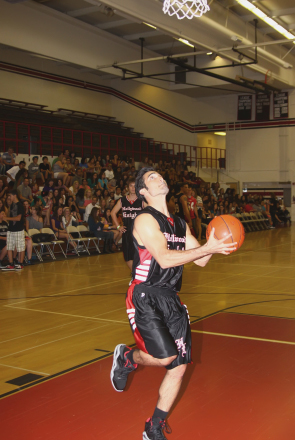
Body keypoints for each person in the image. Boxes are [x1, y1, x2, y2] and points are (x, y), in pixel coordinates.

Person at [110, 168, 236, 440]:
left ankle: (153, 427)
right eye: (151, 178)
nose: (159, 178)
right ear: (142, 191)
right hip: (145, 295)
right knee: (165, 357)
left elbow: (200, 260)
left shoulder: (180, 224)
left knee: (178, 366)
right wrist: (206, 248)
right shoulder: (144, 220)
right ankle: (127, 358)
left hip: (171, 299)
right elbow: (165, 259)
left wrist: (217, 241)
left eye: (159, 175)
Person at [110, 177, 144, 271]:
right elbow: (113, 213)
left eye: (135, 186)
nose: (133, 188)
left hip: (139, 232)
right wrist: (118, 226)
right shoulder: (122, 200)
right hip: (127, 231)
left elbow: (151, 213)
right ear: (127, 188)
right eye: (131, 186)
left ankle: (137, 275)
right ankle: (135, 274)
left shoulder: (142, 200)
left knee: (139, 255)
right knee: (127, 256)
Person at [2, 189, 26, 271]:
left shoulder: (20, 205)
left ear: (14, 195)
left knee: (20, 247)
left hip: (18, 229)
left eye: (10, 196)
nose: (9, 197)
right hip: (11, 229)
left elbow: (18, 218)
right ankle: (11, 263)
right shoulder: (12, 205)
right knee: (9, 246)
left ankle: (20, 263)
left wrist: (6, 218)